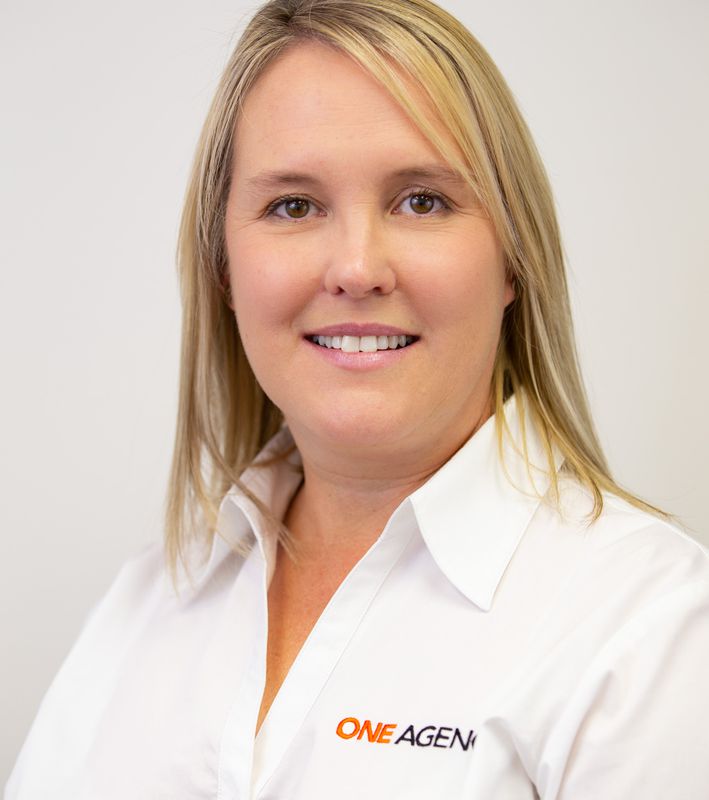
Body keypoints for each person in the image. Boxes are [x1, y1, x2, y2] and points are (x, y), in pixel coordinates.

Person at [6, 0, 709, 797]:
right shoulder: (148, 602)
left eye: (421, 200)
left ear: (513, 258)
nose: (356, 268)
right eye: (294, 206)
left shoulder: (646, 629)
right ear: (224, 269)